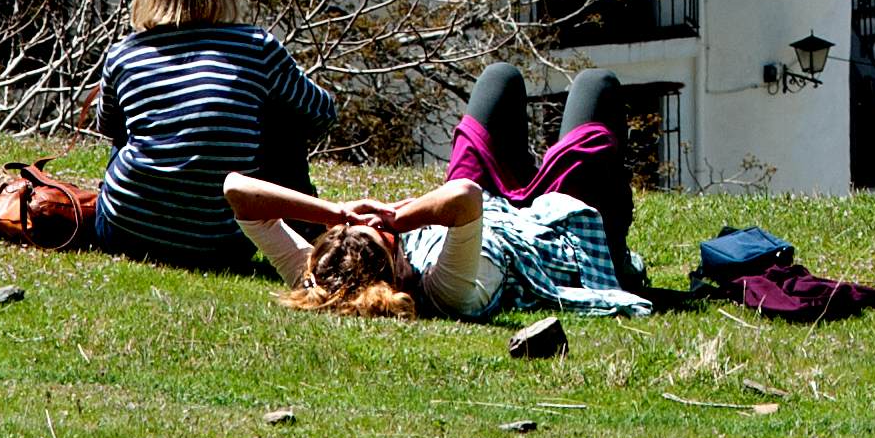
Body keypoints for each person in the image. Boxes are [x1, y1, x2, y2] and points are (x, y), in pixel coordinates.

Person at [86, 0, 337, 272]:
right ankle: (305, 228)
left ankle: (149, 204)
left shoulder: (124, 52)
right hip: (223, 243)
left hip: (125, 231)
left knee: (134, 128)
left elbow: (108, 126)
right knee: (283, 115)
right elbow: (321, 113)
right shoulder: (256, 47)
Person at [227, 169, 651, 322]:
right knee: (596, 101)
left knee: (497, 79)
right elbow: (465, 196)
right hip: (574, 235)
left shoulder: (318, 280)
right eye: (391, 236)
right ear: (395, 264)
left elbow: (237, 190)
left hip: (510, 214)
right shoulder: (446, 293)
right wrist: (397, 217)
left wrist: (337, 213)